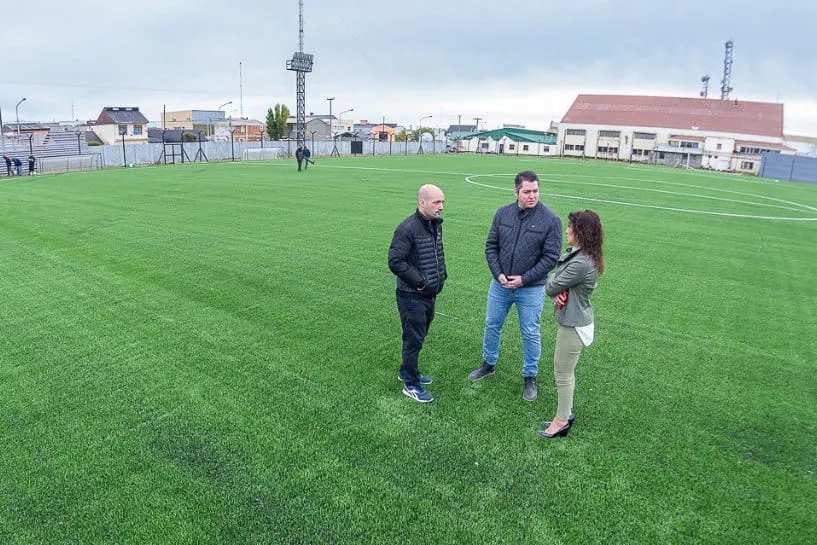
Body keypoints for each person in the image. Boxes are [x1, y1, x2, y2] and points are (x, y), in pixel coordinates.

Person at [467, 170, 562, 402]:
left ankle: (530, 376)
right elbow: (491, 246)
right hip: (500, 285)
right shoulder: (502, 214)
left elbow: (550, 257)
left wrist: (524, 279)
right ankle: (488, 364)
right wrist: (498, 274)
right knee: (492, 324)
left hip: (530, 288)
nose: (532, 196)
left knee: (530, 332)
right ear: (516, 191)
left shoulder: (551, 220)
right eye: (527, 191)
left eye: (536, 191)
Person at [538, 210, 605, 438]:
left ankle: (561, 421)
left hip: (574, 325)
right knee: (566, 372)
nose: (567, 230)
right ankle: (565, 413)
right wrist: (557, 285)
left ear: (581, 232)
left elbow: (550, 286)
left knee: (562, 374)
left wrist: (555, 286)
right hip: (575, 320)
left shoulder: (581, 263)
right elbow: (556, 282)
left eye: (570, 227)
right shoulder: (582, 256)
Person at [388, 184, 447, 403]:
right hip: (412, 296)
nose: (441, 207)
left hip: (428, 294)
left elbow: (435, 253)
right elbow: (395, 261)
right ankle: (410, 384)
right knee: (413, 339)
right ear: (422, 202)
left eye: (442, 202)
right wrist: (420, 283)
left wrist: (443, 275)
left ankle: (407, 371)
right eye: (436, 202)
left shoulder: (434, 225)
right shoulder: (407, 228)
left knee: (419, 336)